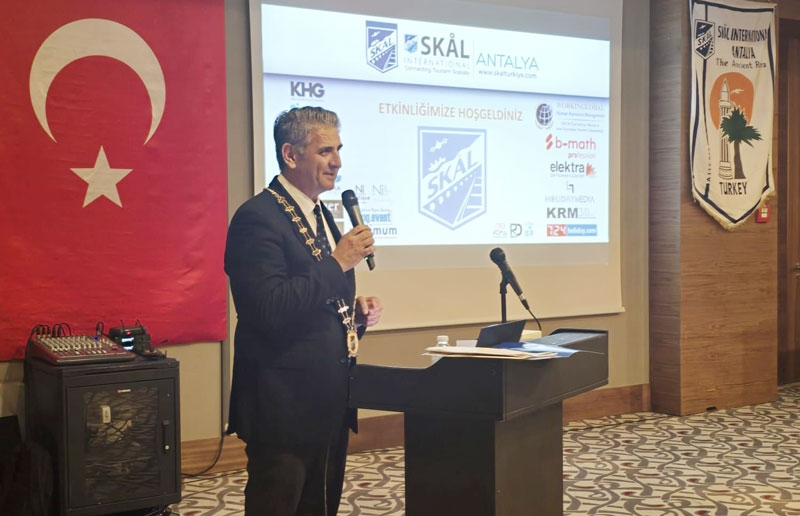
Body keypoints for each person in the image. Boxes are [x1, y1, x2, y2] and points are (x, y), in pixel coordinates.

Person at [224, 106, 383, 516]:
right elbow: (267, 308)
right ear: (290, 155)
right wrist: (338, 262)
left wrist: (354, 314)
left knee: (321, 506)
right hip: (283, 406)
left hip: (329, 399)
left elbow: (316, 297)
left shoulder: (319, 213)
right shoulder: (257, 218)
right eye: (325, 151)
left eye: (339, 150)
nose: (337, 162)